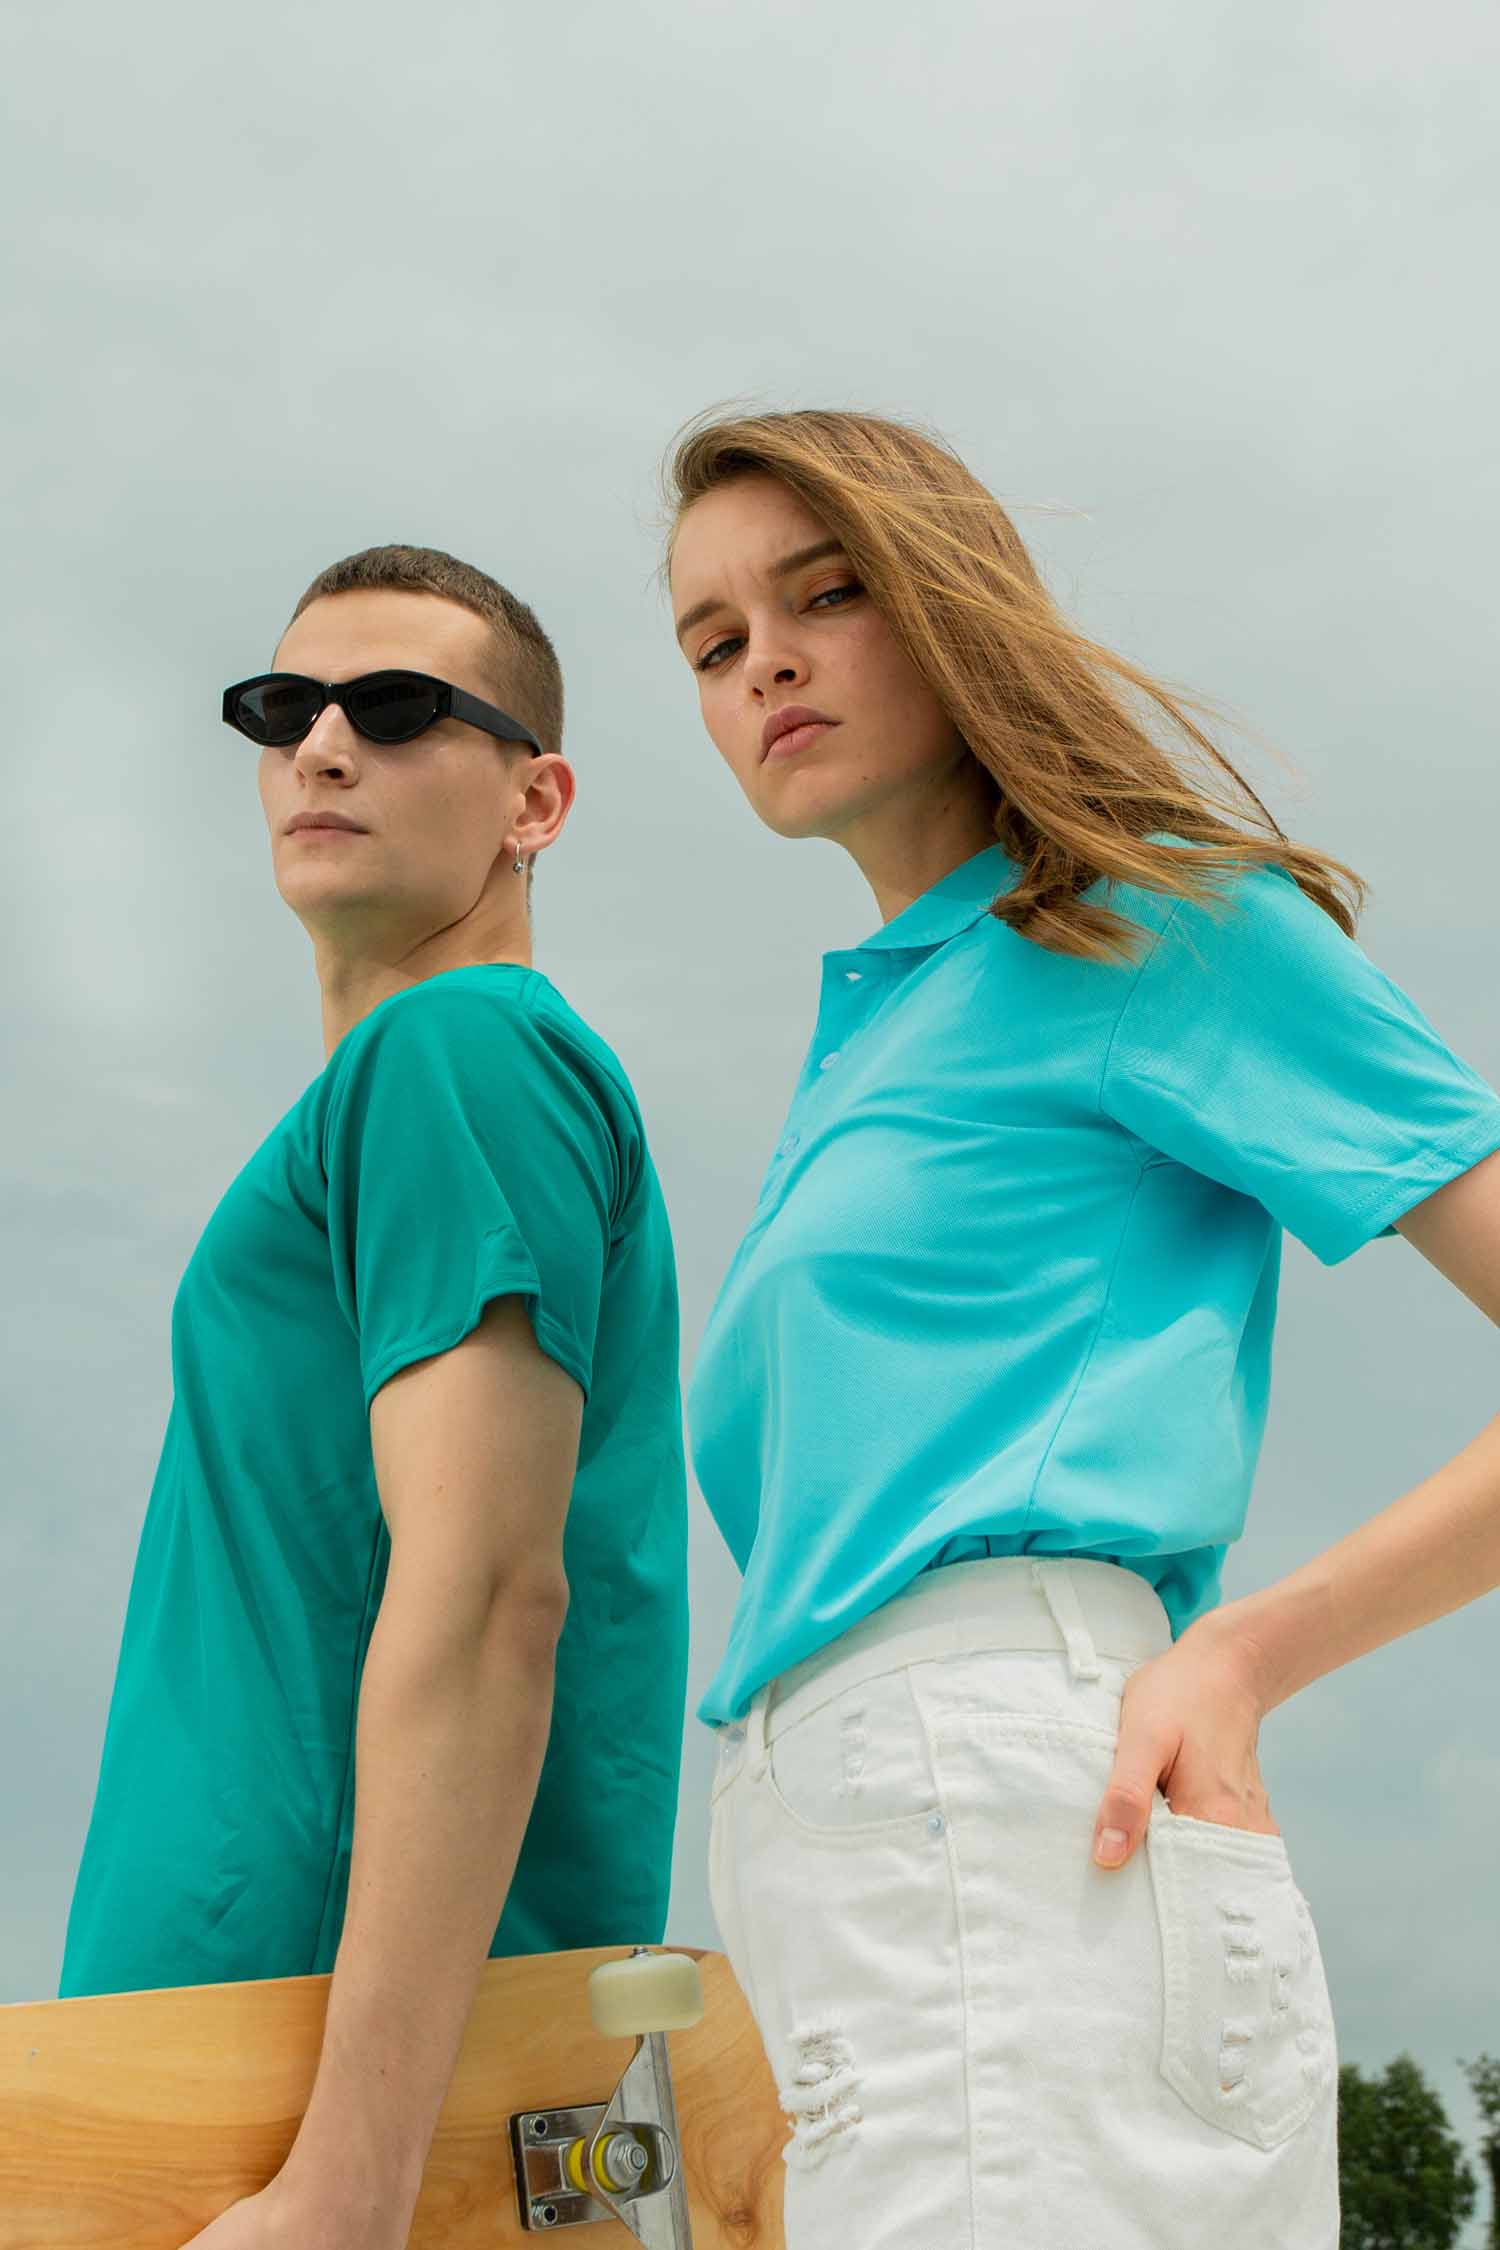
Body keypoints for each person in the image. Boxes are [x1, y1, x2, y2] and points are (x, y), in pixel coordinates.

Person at [661, 407, 1500, 2250]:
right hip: (859, 1864)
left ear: (951, 600)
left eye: (825, 593)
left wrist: (1252, 1650)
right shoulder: (879, 1032)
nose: (765, 662)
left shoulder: (1150, 926)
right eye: (714, 642)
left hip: (1018, 1806)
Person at [57, 548, 689, 2248]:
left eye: (398, 708)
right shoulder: (398, 1091)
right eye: (284, 710)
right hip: (240, 2059)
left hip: (303, 2099)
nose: (323, 745)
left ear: (536, 801)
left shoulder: (461, 1052)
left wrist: (348, 2185)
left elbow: (489, 1598)